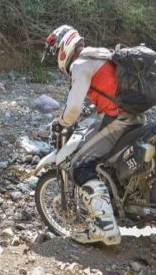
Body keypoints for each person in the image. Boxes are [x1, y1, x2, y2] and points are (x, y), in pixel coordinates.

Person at [43, 25, 146, 246]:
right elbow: (108, 88)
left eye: (56, 52)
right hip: (135, 115)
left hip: (118, 120)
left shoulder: (80, 64)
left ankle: (105, 228)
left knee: (80, 164)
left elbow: (72, 110)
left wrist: (61, 123)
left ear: (64, 47)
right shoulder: (100, 53)